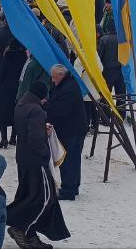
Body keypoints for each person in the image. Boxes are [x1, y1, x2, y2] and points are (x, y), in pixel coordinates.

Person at [6, 83, 69, 249]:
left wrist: (42, 130)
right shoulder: (37, 111)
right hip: (36, 162)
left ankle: (30, 234)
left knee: (28, 195)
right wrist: (45, 154)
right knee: (44, 199)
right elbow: (35, 139)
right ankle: (20, 227)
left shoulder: (21, 105)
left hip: (23, 159)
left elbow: (27, 131)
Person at [44, 65, 88, 201]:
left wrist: (46, 105)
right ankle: (72, 187)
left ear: (61, 75)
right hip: (72, 129)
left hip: (72, 130)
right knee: (73, 159)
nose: (52, 80)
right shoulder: (66, 84)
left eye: (54, 77)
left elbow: (62, 110)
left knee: (69, 160)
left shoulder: (68, 88)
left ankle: (68, 190)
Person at [0, 40, 26, 148]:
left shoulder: (6, 58)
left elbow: (0, 75)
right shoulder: (24, 59)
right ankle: (13, 138)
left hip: (5, 90)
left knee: (3, 115)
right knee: (16, 114)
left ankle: (4, 139)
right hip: (18, 90)